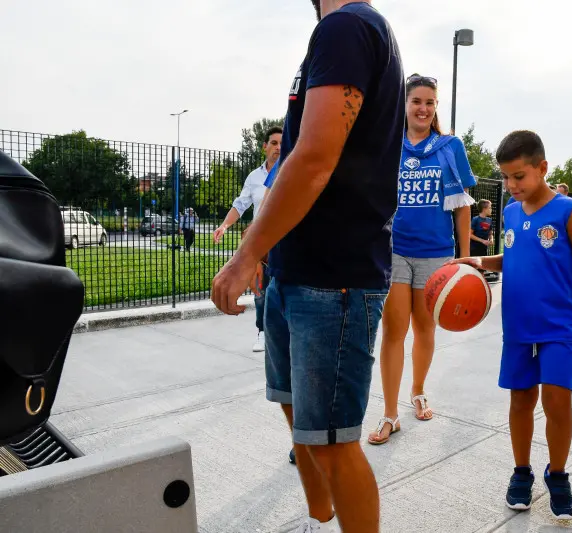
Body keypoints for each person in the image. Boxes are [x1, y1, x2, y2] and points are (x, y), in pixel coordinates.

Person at [210, 1, 404, 531]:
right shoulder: (338, 32)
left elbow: (315, 156)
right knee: (302, 425)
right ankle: (322, 517)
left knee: (336, 443)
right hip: (298, 272)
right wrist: (269, 251)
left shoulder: (349, 27)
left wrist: (245, 253)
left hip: (333, 280)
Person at [453, 130, 572, 518]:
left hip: (559, 326)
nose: (511, 185)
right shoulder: (510, 212)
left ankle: (557, 474)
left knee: (557, 402)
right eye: (506, 177)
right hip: (519, 327)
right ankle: (521, 471)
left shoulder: (567, 211)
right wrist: (477, 262)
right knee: (520, 399)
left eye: (519, 176)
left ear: (542, 168)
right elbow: (512, 258)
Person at [367, 73, 476, 445]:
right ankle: (390, 413)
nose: (424, 109)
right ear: (405, 104)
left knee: (426, 329)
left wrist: (463, 259)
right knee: (394, 332)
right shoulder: (387, 144)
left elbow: (462, 208)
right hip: (395, 251)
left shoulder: (450, 147)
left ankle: (418, 390)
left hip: (437, 255)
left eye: (430, 102)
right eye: (417, 101)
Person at [213, 127, 282, 352]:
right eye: (273, 143)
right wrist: (225, 225)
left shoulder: (289, 171)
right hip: (260, 245)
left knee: (284, 290)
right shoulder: (255, 177)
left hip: (284, 244)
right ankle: (262, 332)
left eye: (282, 143)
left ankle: (281, 334)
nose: (278, 148)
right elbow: (240, 205)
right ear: (264, 146)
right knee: (261, 292)